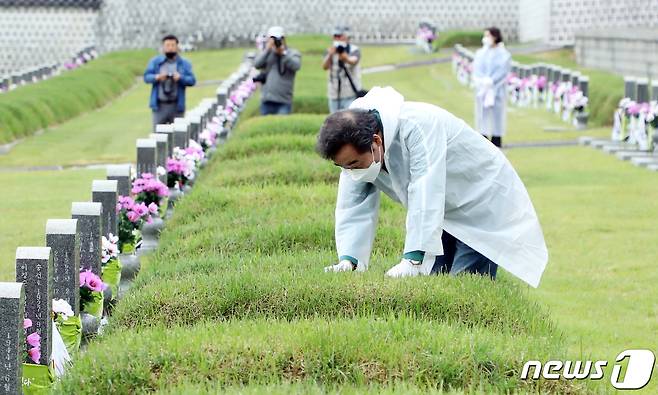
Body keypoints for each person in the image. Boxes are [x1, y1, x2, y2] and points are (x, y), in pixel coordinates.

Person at [317, 87, 548, 288]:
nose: (350, 172)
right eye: (343, 167)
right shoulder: (355, 148)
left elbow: (426, 188)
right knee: (436, 280)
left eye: (354, 164)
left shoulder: (418, 126)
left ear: (376, 141)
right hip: (444, 208)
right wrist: (349, 260)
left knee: (464, 286)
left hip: (480, 203)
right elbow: (353, 203)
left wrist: (413, 259)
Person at [143, 35, 196, 131]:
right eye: (167, 45)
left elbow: (192, 80)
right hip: (159, 106)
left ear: (177, 46)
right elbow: (146, 77)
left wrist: (180, 78)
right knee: (157, 136)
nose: (170, 48)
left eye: (173, 45)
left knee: (178, 135)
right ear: (163, 47)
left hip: (177, 105)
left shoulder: (184, 63)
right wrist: (158, 77)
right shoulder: (155, 62)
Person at [472, 27, 511, 148]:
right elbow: (477, 69)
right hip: (483, 89)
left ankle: (496, 137)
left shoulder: (504, 54)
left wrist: (492, 81)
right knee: (482, 113)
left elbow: (503, 71)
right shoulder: (481, 53)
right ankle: (483, 136)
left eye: (488, 36)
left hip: (497, 89)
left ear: (495, 37)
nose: (486, 39)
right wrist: (483, 81)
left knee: (497, 114)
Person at [254, 26, 302, 116]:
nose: (276, 41)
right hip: (267, 100)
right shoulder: (267, 53)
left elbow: (296, 66)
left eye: (279, 38)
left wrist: (283, 53)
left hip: (283, 100)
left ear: (284, 39)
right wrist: (267, 49)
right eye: (273, 38)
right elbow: (257, 64)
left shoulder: (292, 53)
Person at [322, 26, 362, 113]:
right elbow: (325, 67)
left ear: (346, 37)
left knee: (349, 121)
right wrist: (330, 55)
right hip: (333, 92)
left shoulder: (354, 50)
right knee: (334, 121)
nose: (337, 38)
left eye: (339, 36)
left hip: (349, 92)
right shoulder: (330, 50)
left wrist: (344, 57)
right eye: (335, 36)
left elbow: (353, 61)